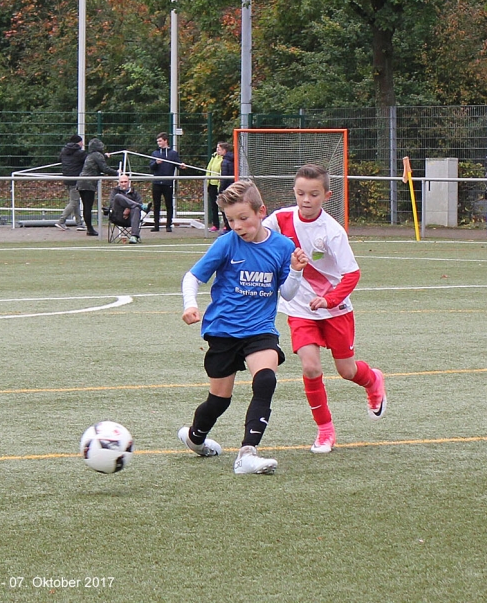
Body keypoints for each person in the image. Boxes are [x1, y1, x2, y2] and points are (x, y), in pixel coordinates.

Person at [177, 180, 305, 475]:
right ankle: (195, 438)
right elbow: (193, 277)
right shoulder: (226, 243)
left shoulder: (282, 247)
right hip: (222, 330)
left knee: (265, 380)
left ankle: (247, 453)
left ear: (261, 212)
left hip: (260, 330)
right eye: (231, 220)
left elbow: (286, 294)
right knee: (218, 401)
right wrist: (190, 304)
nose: (236, 226)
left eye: (243, 218)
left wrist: (296, 271)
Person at [264, 164, 387, 454]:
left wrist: (329, 300)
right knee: (310, 368)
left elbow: (351, 274)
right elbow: (259, 235)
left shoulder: (332, 231)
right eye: (300, 193)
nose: (306, 200)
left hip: (336, 311)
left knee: (346, 370)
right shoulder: (280, 218)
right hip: (299, 309)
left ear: (327, 196)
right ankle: (325, 431)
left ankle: (373, 380)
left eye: (313, 194)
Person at [76, 138, 118, 237]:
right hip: (88, 183)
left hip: (81, 182)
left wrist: (105, 157)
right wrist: (117, 172)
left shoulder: (90, 155)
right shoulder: (97, 155)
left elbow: (97, 163)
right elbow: (104, 168)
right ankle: (90, 229)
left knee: (86, 207)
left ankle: (89, 228)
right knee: (88, 207)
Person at [149, 132, 185, 232]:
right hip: (156, 183)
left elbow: (178, 164)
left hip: (167, 183)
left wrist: (182, 166)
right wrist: (156, 163)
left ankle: (168, 225)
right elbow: (151, 167)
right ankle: (156, 225)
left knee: (169, 204)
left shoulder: (173, 153)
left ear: (165, 141)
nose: (159, 143)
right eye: (157, 141)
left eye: (160, 141)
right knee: (156, 204)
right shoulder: (155, 153)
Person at [55, 135, 86, 231]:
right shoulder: (80, 153)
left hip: (67, 179)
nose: (82, 144)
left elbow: (59, 159)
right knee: (74, 202)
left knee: (75, 201)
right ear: (78, 142)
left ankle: (79, 223)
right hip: (75, 180)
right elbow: (89, 160)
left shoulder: (64, 151)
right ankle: (61, 221)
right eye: (81, 142)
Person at [109, 174, 148, 244]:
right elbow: (112, 204)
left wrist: (128, 208)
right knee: (118, 197)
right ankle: (140, 206)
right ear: (119, 183)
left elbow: (138, 203)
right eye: (122, 182)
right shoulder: (115, 191)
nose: (123, 184)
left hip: (131, 218)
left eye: (125, 182)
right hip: (118, 216)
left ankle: (134, 236)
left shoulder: (134, 193)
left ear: (129, 182)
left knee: (136, 209)